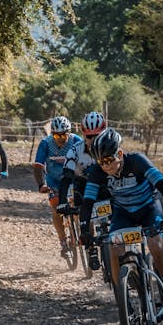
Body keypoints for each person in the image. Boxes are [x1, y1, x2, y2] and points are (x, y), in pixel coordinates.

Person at [79, 127, 163, 318]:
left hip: (149, 208)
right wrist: (84, 231)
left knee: (155, 245)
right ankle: (123, 300)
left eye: (109, 160)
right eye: (101, 162)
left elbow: (162, 186)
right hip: (124, 212)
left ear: (119, 153)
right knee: (114, 249)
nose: (106, 166)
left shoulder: (137, 161)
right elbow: (87, 202)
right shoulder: (97, 172)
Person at [57, 111, 107, 270]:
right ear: (84, 134)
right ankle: (91, 249)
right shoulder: (75, 150)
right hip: (83, 187)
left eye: (97, 136)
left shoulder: (111, 146)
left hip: (106, 186)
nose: (92, 140)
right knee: (85, 213)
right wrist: (62, 202)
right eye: (89, 137)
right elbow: (66, 178)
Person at [33, 115, 81, 256]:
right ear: (51, 134)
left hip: (72, 179)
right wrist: (41, 184)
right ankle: (63, 241)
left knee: (79, 206)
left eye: (63, 135)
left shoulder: (76, 141)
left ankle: (77, 231)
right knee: (56, 209)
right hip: (54, 181)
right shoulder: (46, 143)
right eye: (56, 136)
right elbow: (38, 166)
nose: (59, 139)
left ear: (69, 133)